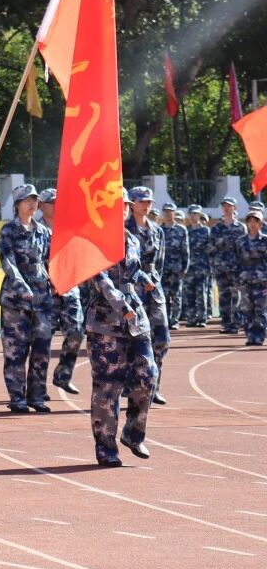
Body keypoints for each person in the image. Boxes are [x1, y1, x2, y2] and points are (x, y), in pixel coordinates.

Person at [84, 209, 155, 467]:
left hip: (135, 316)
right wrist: (120, 304)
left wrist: (145, 279)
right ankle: (106, 448)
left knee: (148, 374)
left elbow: (132, 271)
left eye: (126, 204)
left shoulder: (132, 238)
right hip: (106, 320)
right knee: (107, 387)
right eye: (118, 204)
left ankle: (133, 433)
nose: (123, 208)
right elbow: (100, 278)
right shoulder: (94, 238)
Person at [0, 185, 55, 414]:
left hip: (42, 299)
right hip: (16, 299)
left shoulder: (43, 232)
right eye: (27, 200)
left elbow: (50, 260)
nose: (33, 204)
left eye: (35, 200)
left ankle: (37, 396)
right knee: (16, 350)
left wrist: (56, 282)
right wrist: (22, 286)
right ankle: (17, 398)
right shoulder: (9, 231)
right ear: (17, 204)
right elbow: (8, 262)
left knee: (42, 348)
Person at [125, 187, 170, 404]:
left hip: (153, 289)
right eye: (142, 201)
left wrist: (154, 281)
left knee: (161, 338)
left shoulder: (157, 230)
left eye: (149, 201)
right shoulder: (124, 229)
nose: (146, 205)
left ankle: (153, 386)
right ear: (132, 203)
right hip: (132, 289)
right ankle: (131, 386)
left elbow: (159, 262)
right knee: (132, 340)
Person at [41, 189, 86, 394]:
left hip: (69, 290)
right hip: (46, 292)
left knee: (76, 333)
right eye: (51, 202)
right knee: (43, 340)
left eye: (58, 202)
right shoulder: (36, 229)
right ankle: (38, 388)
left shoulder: (70, 228)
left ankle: (63, 375)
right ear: (41, 206)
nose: (55, 205)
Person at [210, 197, 246, 333]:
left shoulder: (240, 227)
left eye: (229, 206)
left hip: (236, 267)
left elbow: (244, 248)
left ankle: (236, 323)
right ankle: (226, 323)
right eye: (224, 206)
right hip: (220, 267)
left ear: (234, 208)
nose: (226, 208)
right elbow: (211, 248)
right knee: (224, 296)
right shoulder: (216, 228)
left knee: (237, 295)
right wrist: (213, 264)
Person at [237, 208, 267, 346]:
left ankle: (259, 336)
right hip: (245, 280)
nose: (252, 224)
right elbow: (237, 260)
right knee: (247, 309)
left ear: (261, 223)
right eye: (250, 221)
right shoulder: (240, 241)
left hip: (262, 280)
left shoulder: (265, 240)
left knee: (260, 310)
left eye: (256, 221)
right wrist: (237, 279)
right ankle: (250, 335)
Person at [159, 202, 189, 331]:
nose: (167, 213)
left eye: (170, 211)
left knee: (176, 295)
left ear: (174, 213)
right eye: (165, 211)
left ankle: (174, 321)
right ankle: (166, 320)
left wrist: (185, 267)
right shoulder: (158, 230)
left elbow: (185, 250)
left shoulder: (181, 230)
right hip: (162, 268)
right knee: (163, 295)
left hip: (176, 267)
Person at [183, 205, 212, 327]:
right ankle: (191, 318)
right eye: (191, 213)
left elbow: (210, 249)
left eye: (195, 214)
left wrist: (210, 267)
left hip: (202, 267)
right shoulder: (186, 231)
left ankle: (201, 318)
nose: (193, 216)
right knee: (189, 293)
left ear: (199, 215)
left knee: (201, 294)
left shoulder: (206, 231)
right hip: (189, 268)